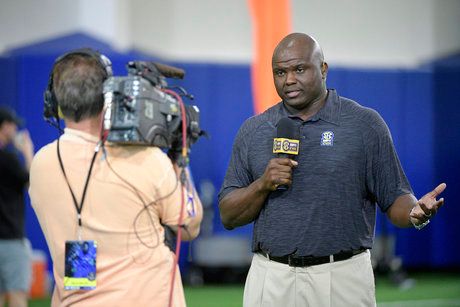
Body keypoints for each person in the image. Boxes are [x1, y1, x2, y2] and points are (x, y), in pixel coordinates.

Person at [218, 33, 446, 307]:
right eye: (280, 72)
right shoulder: (254, 130)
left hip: (341, 276)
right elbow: (228, 215)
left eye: (299, 69)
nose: (289, 79)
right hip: (271, 276)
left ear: (323, 69)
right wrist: (262, 184)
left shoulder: (364, 125)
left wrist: (415, 213)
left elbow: (395, 196)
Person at [29, 49, 203, 306]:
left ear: (54, 101)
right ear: (108, 97)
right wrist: (179, 157)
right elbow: (190, 226)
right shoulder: (147, 159)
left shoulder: (41, 163)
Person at [0, 106, 34, 307]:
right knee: (17, 297)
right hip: (11, 242)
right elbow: (32, 183)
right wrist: (27, 152)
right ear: (5, 127)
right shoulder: (9, 159)